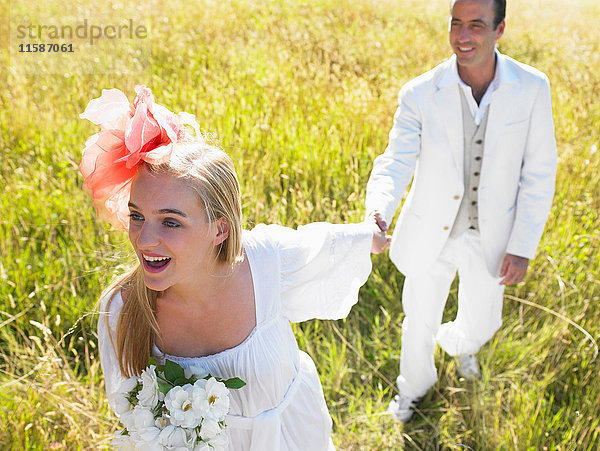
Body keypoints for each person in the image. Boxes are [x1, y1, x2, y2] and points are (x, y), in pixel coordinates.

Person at [82, 85, 389, 449]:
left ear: (220, 229)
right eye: (137, 216)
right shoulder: (122, 310)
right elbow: (132, 411)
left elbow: (323, 245)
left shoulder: (266, 261)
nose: (144, 240)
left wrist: (370, 235)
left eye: (170, 222)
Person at [366, 0, 557, 421]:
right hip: (428, 230)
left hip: (493, 234)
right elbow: (396, 159)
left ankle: (460, 345)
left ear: (500, 29)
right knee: (418, 320)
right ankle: (412, 389)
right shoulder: (420, 92)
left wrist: (522, 245)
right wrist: (379, 209)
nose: (462, 36)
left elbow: (540, 173)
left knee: (484, 323)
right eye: (456, 24)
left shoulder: (532, 87)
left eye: (476, 25)